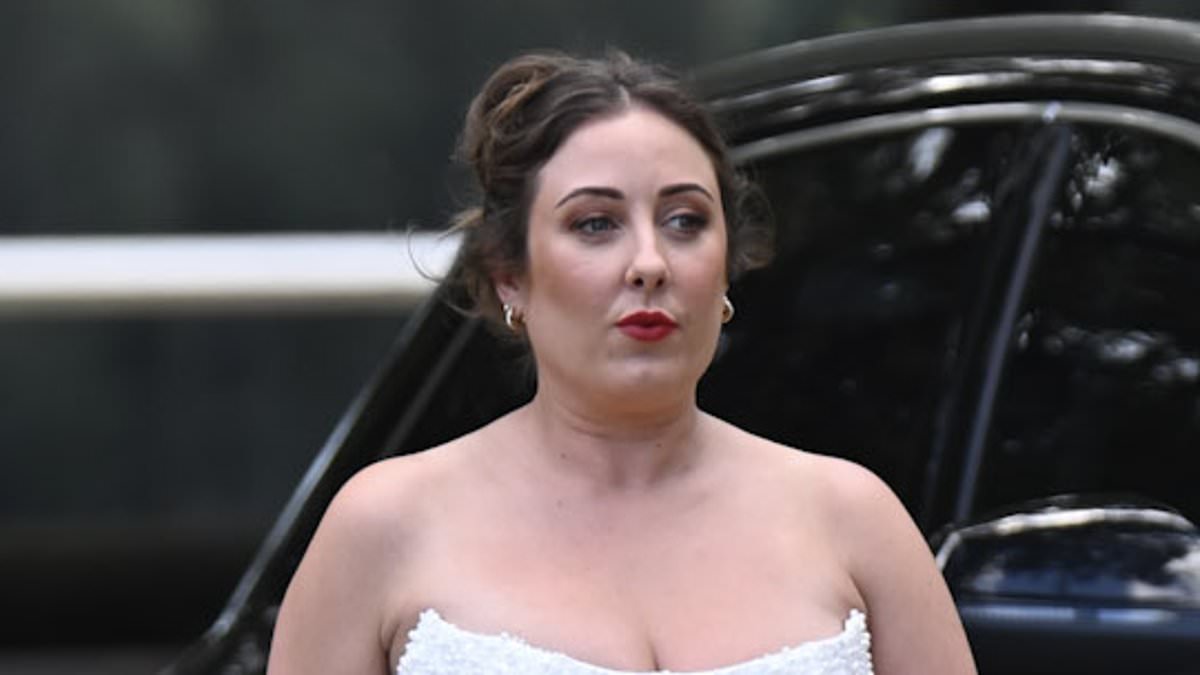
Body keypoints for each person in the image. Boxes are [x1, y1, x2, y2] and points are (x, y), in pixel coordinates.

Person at [267, 50, 977, 675]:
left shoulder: (853, 520)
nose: (649, 262)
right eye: (595, 223)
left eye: (685, 220)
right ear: (509, 274)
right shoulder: (384, 525)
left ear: (726, 267)